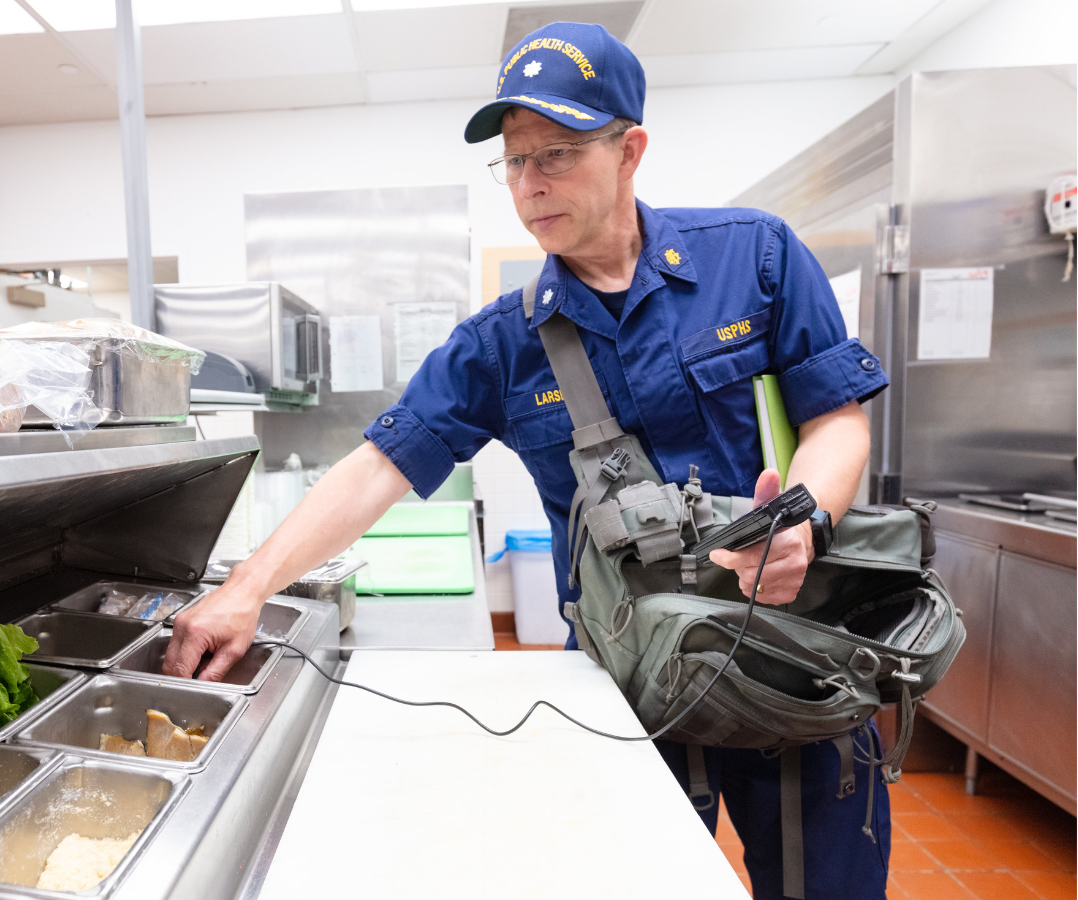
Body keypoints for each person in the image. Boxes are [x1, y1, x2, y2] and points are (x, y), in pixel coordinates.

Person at [160, 23, 889, 899]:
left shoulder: (755, 256)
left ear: (631, 150)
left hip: (789, 653)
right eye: (513, 161)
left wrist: (801, 518)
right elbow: (375, 468)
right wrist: (247, 589)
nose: (531, 183)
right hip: (634, 687)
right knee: (650, 878)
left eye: (559, 152)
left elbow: (837, 419)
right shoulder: (499, 345)